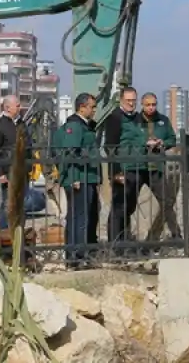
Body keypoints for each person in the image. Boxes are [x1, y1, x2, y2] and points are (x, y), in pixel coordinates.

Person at [114, 92, 182, 245]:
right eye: (148, 105)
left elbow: (172, 138)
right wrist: (145, 143)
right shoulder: (134, 120)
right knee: (129, 203)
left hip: (155, 167)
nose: (151, 108)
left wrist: (162, 143)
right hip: (137, 167)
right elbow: (128, 140)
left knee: (167, 200)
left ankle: (175, 233)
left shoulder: (162, 121)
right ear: (142, 105)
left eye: (154, 104)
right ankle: (123, 237)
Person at [55, 93, 100, 269]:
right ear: (82, 107)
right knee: (79, 218)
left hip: (86, 176)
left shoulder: (84, 126)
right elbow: (70, 152)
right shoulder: (75, 125)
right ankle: (77, 257)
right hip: (79, 178)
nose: (94, 110)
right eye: (92, 107)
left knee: (80, 217)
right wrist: (73, 178)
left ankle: (76, 255)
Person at [103, 87, 140, 244]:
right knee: (119, 207)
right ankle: (115, 242)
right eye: (128, 101)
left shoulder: (137, 118)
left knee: (129, 207)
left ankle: (124, 239)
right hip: (121, 170)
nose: (131, 104)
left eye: (133, 100)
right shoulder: (114, 118)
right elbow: (110, 146)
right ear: (121, 101)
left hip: (135, 168)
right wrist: (116, 172)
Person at [0, 94, 24, 231]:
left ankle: (18, 231)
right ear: (8, 107)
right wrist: (0, 173)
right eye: (18, 105)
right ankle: (5, 233)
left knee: (20, 204)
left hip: (21, 171)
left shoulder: (21, 124)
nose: (20, 108)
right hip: (8, 172)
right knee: (8, 204)